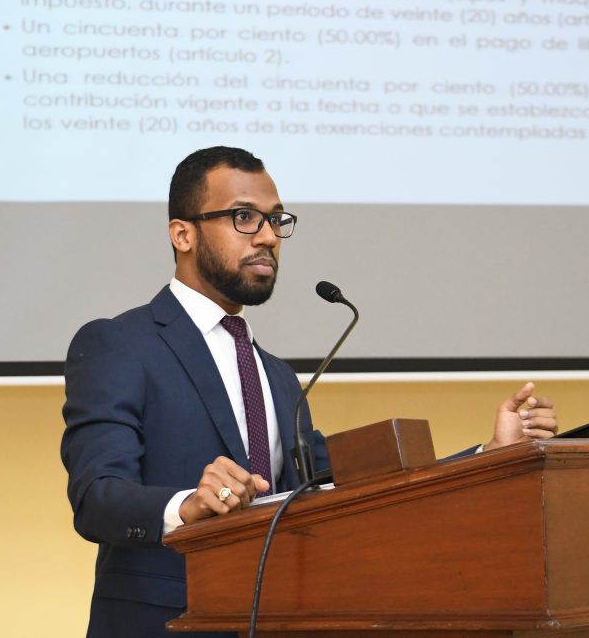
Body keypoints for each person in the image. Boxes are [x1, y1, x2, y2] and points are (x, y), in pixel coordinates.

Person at [60, 146, 558, 638]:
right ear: (182, 234)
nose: (268, 237)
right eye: (244, 217)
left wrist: (489, 454)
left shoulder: (277, 376)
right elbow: (97, 497)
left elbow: (347, 485)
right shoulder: (120, 344)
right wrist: (187, 504)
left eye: (276, 220)